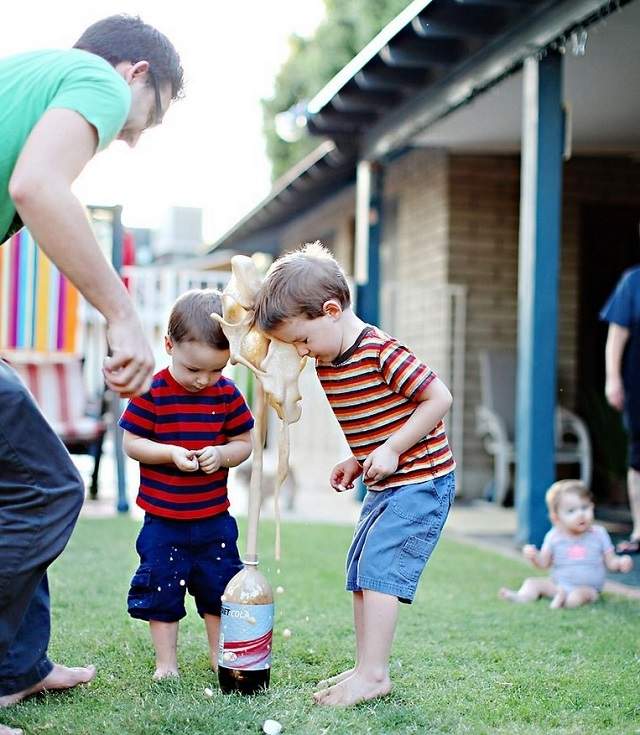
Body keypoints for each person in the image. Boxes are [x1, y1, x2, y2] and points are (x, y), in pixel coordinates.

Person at [0, 15, 183, 734]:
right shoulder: (96, 80)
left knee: (24, 478)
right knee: (48, 484)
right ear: (135, 72)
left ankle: (18, 665)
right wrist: (123, 312)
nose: (133, 136)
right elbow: (39, 187)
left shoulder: (29, 76)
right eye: (152, 115)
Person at [254, 241, 456, 707]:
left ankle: (374, 675)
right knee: (363, 568)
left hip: (421, 480)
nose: (302, 352)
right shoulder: (330, 359)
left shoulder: (380, 349)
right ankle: (366, 667)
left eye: (302, 339)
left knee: (382, 569)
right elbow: (377, 414)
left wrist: (391, 448)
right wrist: (359, 456)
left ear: (331, 310)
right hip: (387, 481)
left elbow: (438, 398)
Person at [120, 290, 254, 680]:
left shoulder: (228, 394)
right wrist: (170, 453)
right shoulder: (152, 391)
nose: (203, 380)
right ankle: (167, 664)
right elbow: (132, 443)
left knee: (219, 589)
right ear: (168, 346)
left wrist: (222, 454)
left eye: (216, 369)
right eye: (194, 368)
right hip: (163, 521)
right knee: (161, 589)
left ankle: (220, 655)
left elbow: (243, 443)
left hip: (214, 519)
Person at [499, 479, 633, 609]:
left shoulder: (598, 534)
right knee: (532, 583)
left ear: (592, 506)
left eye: (584, 507)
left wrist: (620, 563)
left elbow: (610, 561)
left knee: (577, 597)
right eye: (571, 511)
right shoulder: (554, 536)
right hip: (558, 584)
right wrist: (534, 556)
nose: (581, 514)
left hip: (588, 588)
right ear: (556, 518)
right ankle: (522, 597)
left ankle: (562, 601)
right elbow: (544, 563)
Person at [601, 261, 640, 554]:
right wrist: (613, 379)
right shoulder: (633, 281)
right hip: (637, 383)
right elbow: (617, 335)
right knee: (638, 458)